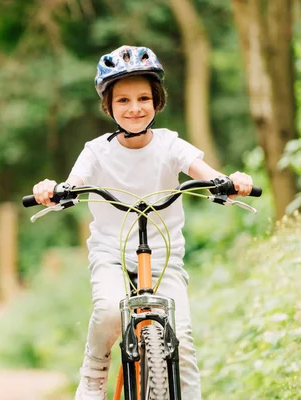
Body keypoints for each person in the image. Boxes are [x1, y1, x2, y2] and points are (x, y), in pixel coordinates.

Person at [32, 45, 254, 400]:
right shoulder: (96, 151)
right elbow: (71, 185)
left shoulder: (170, 144)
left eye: (143, 98)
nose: (134, 108)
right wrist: (52, 191)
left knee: (181, 338)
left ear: (157, 101)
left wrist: (229, 181)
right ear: (109, 106)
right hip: (112, 254)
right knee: (108, 311)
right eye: (123, 100)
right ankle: (93, 371)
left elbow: (204, 172)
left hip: (164, 256)